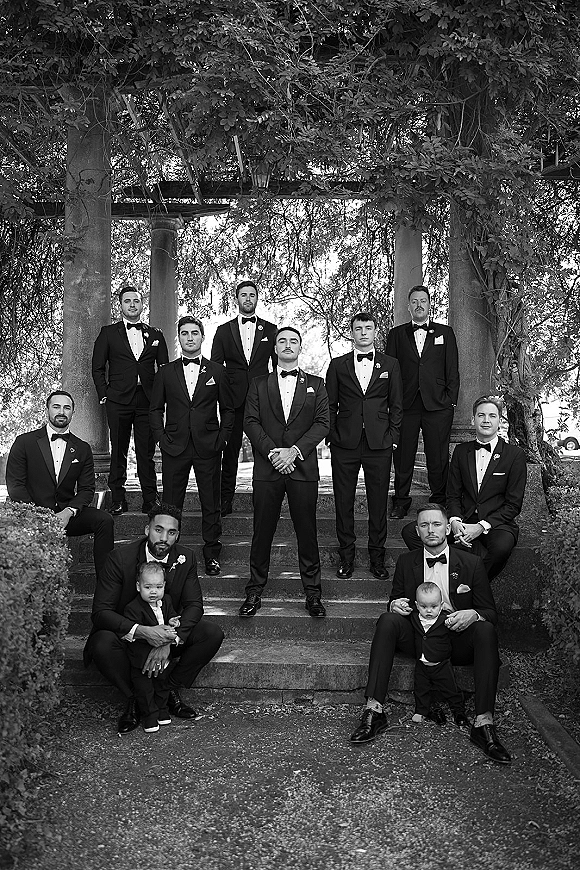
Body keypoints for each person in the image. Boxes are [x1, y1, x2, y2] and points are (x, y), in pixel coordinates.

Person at [350, 504, 511, 765]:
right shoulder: (406, 562)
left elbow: (489, 612)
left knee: (485, 628)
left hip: (455, 640)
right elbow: (395, 599)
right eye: (424, 525)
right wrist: (395, 605)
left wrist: (473, 614)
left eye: (436, 524)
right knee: (388, 620)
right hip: (419, 637)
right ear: (417, 530)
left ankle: (483, 722)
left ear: (448, 528)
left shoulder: (471, 563)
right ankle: (374, 709)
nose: (430, 530)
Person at [83, 503, 224, 734]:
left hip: (167, 631)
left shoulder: (185, 557)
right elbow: (101, 612)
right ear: (146, 529)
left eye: (171, 532)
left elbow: (194, 605)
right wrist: (143, 632)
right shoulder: (120, 559)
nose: (164, 538)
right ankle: (135, 699)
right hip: (129, 638)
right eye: (158, 530)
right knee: (101, 643)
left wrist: (169, 641)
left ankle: (166, 689)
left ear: (177, 535)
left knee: (211, 634)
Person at [239, 326, 330, 618]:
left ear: (299, 347)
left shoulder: (317, 383)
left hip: (303, 468)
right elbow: (250, 422)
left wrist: (294, 451)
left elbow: (323, 423)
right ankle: (254, 590)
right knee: (261, 532)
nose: (288, 345)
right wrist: (273, 452)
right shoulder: (258, 384)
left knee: (307, 532)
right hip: (268, 468)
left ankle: (313, 594)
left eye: (293, 341)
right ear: (275, 348)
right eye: (282, 341)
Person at [402, 395, 527, 581]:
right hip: (463, 519)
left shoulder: (514, 455)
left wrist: (480, 527)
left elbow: (513, 504)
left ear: (500, 421)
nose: (486, 420)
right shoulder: (461, 451)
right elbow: (452, 494)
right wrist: (454, 521)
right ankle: (441, 574)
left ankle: (467, 585)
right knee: (411, 532)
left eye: (492, 416)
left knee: (502, 548)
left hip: (496, 523)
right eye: (481, 415)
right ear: (473, 419)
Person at [149, 316, 235, 576]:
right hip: (174, 446)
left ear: (202, 337)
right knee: (171, 503)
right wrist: (161, 439)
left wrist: (221, 439)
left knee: (211, 502)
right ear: (179, 338)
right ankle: (169, 554)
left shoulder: (217, 371)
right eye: (184, 333)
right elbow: (154, 409)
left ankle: (212, 554)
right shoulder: (166, 371)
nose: (189, 338)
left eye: (194, 333)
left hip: (208, 446)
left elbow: (228, 409)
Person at [325, 312, 403, 580]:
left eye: (368, 328)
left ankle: (376, 558)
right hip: (344, 444)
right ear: (352, 332)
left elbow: (397, 405)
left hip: (379, 443)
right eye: (358, 328)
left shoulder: (390, 365)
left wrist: (392, 437)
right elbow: (329, 406)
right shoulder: (337, 365)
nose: (363, 333)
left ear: (375, 331)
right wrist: (333, 436)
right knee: (343, 502)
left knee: (378, 502)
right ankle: (346, 558)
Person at [6, 390, 114, 579]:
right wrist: (38, 515)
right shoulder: (24, 442)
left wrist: (68, 512)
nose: (61, 412)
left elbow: (87, 489)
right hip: (33, 515)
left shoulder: (82, 448)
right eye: (56, 406)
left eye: (67, 407)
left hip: (65, 515)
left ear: (73, 412)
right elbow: (15, 485)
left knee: (104, 520)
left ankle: (107, 587)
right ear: (47, 409)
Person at [92, 285, 169, 515]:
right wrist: (104, 393)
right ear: (121, 305)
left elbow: (164, 369)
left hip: (147, 400)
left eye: (136, 301)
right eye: (128, 301)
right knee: (118, 450)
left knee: (146, 451)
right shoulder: (108, 333)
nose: (132, 305)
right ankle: (117, 499)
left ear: (141, 304)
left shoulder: (155, 334)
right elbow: (97, 368)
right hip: (118, 400)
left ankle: (150, 499)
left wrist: (161, 398)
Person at [386, 285, 459, 519]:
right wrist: (392, 403)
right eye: (414, 301)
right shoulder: (396, 335)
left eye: (423, 301)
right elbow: (390, 371)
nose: (419, 305)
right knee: (403, 455)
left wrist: (451, 402)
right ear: (408, 306)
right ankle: (400, 501)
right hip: (406, 405)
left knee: (437, 455)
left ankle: (439, 501)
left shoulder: (445, 333)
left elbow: (453, 370)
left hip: (438, 405)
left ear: (429, 305)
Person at [211, 280, 277, 516]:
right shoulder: (223, 330)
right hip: (232, 399)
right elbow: (216, 368)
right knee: (229, 452)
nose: (248, 299)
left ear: (257, 298)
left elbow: (278, 368)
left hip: (263, 399)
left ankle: (265, 499)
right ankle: (225, 500)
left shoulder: (271, 330)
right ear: (236, 299)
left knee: (265, 448)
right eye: (243, 295)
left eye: (252, 295)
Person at [123, 562, 182, 733]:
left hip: (163, 657)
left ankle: (162, 711)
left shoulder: (167, 600)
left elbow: (170, 615)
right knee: (145, 689)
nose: (153, 591)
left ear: (164, 586)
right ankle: (149, 716)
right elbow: (133, 633)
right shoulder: (132, 608)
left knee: (162, 685)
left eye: (158, 586)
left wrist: (172, 621)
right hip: (141, 659)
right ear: (138, 586)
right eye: (147, 587)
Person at [410, 582, 469, 727]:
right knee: (420, 688)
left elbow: (458, 631)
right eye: (423, 607)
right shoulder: (414, 618)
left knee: (450, 688)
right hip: (422, 663)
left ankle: (458, 710)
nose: (428, 611)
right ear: (417, 605)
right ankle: (421, 710)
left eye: (433, 607)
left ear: (441, 605)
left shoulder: (444, 620)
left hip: (441, 664)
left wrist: (452, 619)